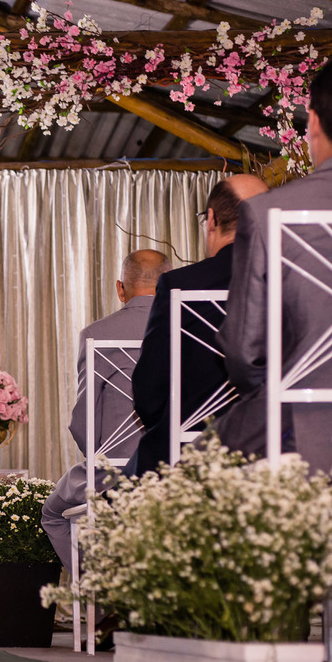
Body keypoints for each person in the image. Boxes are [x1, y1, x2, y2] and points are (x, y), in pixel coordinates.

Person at [217, 55, 332, 472]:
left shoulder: (267, 214)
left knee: (193, 469)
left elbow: (244, 356)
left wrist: (291, 396)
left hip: (303, 439)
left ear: (313, 122)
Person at [129, 174, 268, 476]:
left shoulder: (180, 284)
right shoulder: (289, 281)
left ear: (212, 220)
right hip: (274, 450)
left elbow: (149, 393)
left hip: (187, 455)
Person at [40, 250, 169, 574]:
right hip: (177, 471)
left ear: (120, 288)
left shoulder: (97, 333)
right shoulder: (189, 330)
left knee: (52, 514)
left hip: (114, 474)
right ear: (167, 284)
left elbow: (83, 423)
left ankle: (101, 588)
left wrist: (102, 461)